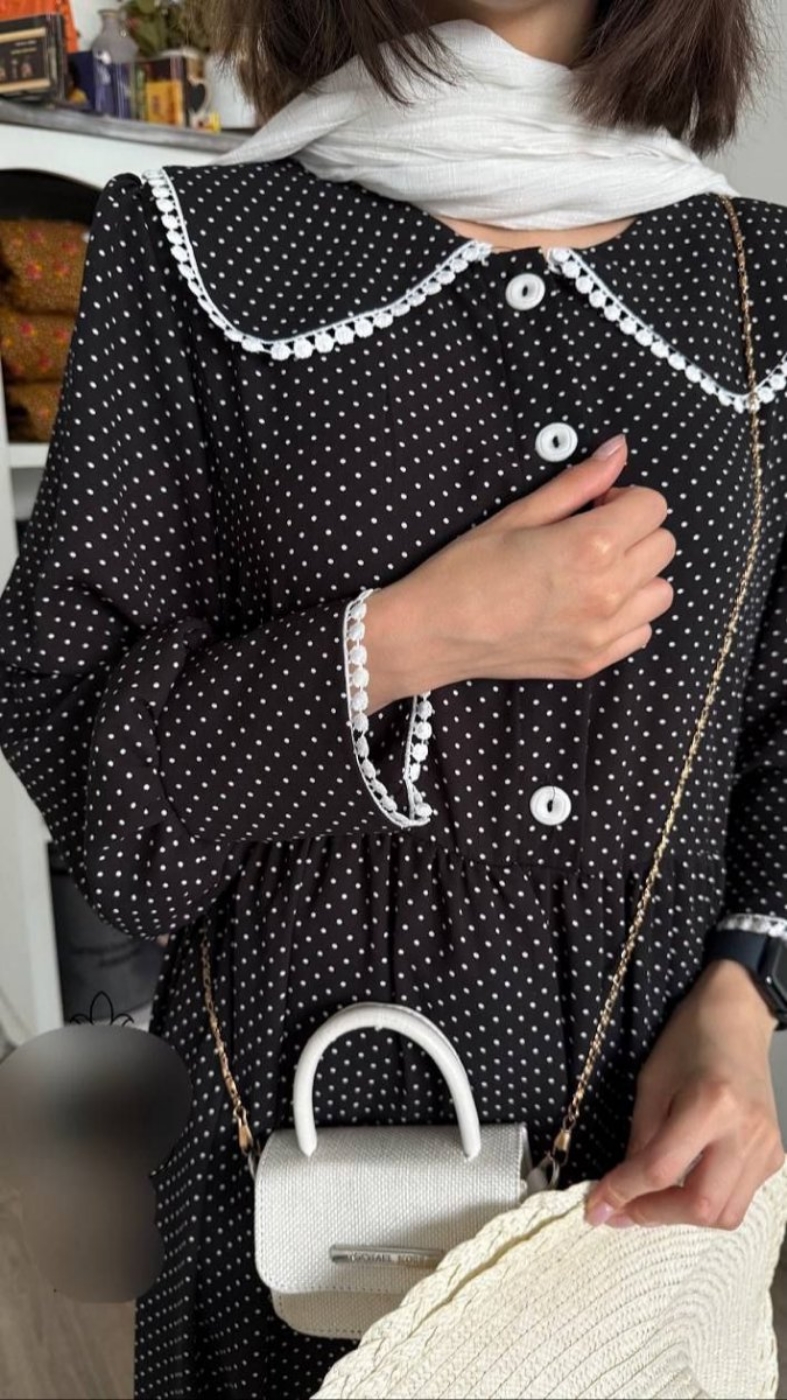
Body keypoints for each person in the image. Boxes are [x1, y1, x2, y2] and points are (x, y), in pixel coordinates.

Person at [0, 0, 785, 1395]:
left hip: (648, 1156)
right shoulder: (191, 249)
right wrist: (404, 643)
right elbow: (85, 754)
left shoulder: (760, 286)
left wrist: (745, 994)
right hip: (279, 1162)